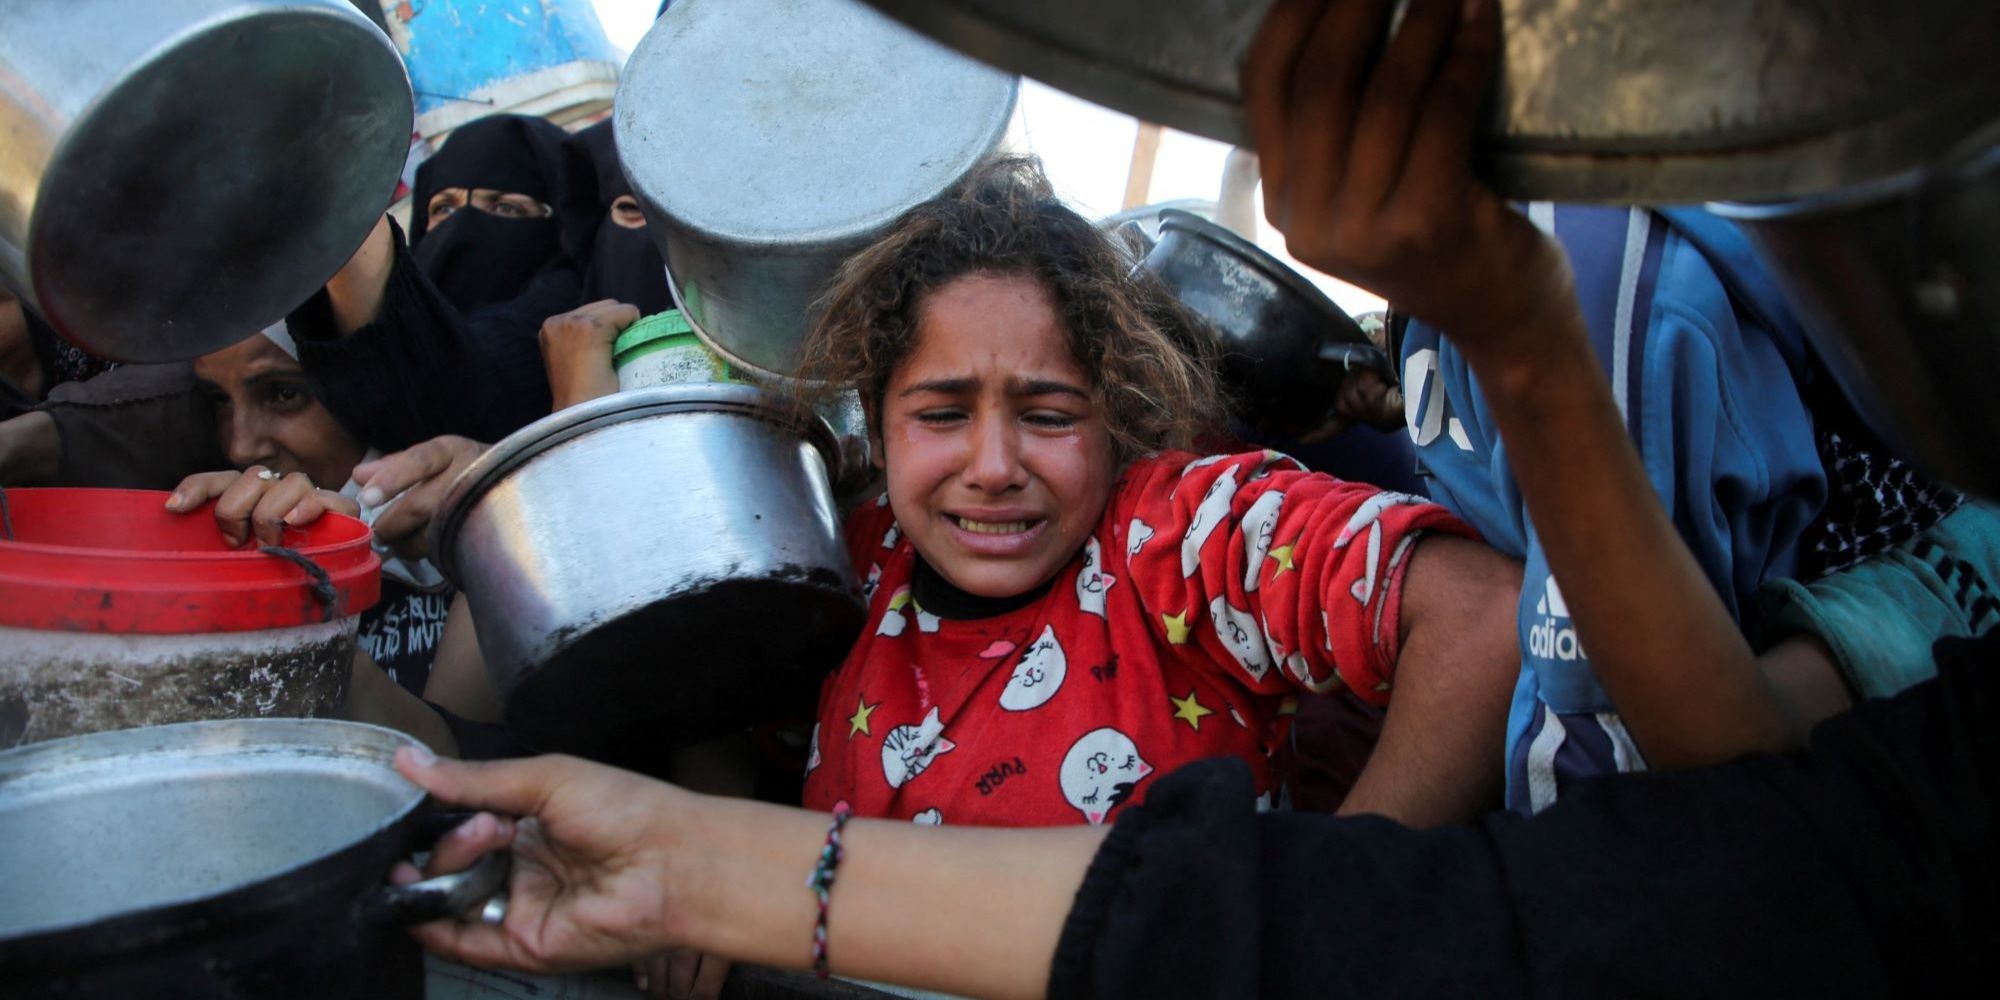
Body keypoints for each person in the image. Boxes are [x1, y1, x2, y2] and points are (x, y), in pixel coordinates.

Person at [383, 0, 1999, 995]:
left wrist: (1344, 911)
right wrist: (700, 844)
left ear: (1125, 417)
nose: (999, 463)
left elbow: (1489, 618)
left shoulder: (1182, 538)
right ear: (871, 420)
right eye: (943, 412)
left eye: (1051, 411)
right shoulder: (854, 562)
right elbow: (601, 671)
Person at [162, 323, 497, 753]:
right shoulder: (226, 536)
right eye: (219, 401)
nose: (240, 447)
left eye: (283, 393)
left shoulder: (482, 536)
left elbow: (456, 776)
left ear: (365, 387)